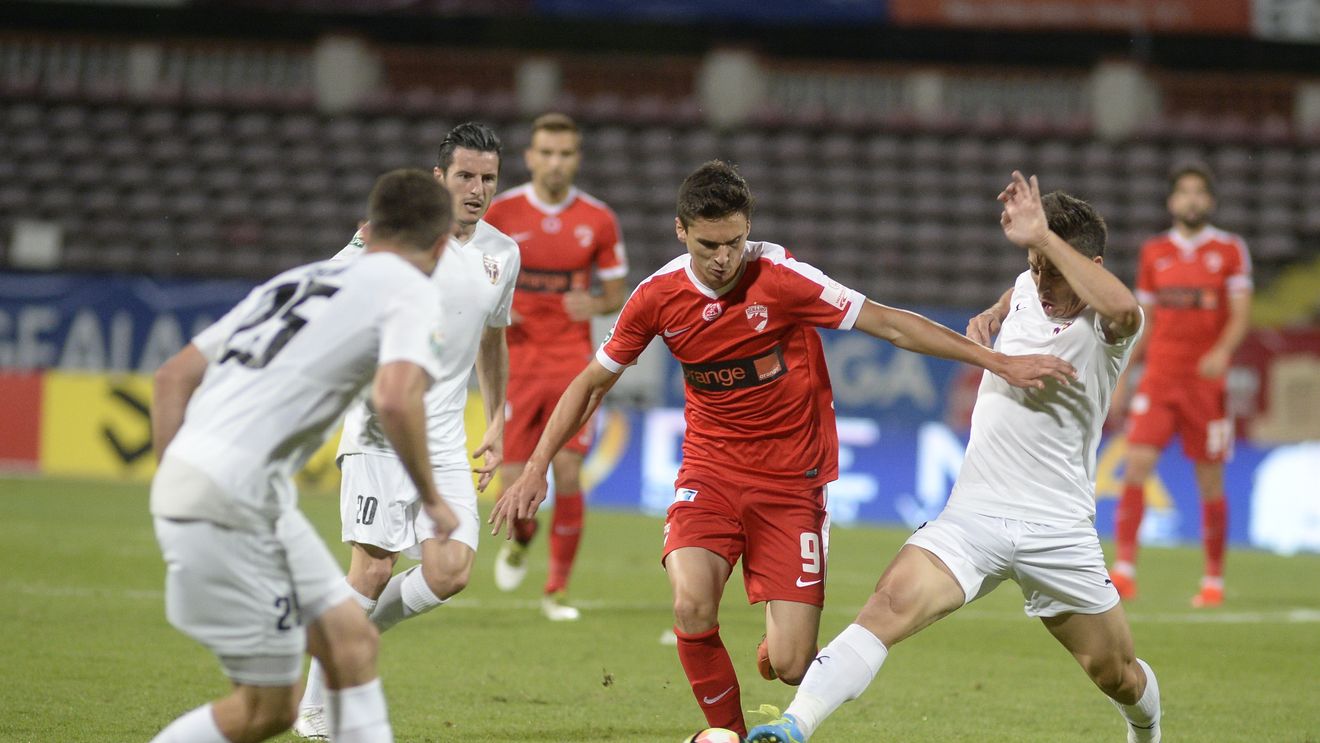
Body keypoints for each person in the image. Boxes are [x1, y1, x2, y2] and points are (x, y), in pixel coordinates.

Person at [490, 161, 1075, 736]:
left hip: (793, 482)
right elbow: (592, 381)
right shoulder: (656, 297)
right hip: (710, 472)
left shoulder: (784, 278)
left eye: (735, 242)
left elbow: (889, 324)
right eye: (708, 245)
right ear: (680, 231)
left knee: (794, 665)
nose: (723, 258)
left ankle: (780, 644)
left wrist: (996, 360)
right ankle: (731, 734)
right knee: (692, 606)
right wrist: (535, 467)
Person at [747, 172, 1160, 743]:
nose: (1039, 277)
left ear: (1089, 262)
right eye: (1033, 263)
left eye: (1051, 263)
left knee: (1115, 674)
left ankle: (1147, 730)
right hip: (975, 515)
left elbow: (1127, 308)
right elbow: (1017, 289)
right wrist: (993, 312)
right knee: (888, 605)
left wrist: (1043, 237)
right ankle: (795, 724)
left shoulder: (1108, 327)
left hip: (1059, 527)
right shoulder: (1026, 285)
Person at [147, 169, 458, 743]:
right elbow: (394, 397)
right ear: (441, 245)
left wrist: (177, 488)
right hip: (231, 499)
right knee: (266, 708)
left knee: (351, 644)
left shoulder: (298, 280)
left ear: (372, 227)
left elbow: (171, 379)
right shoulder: (410, 288)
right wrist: (433, 497)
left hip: (242, 494)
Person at [294, 122, 519, 738]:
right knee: (370, 569)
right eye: (466, 176)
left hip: (444, 438)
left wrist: (497, 417)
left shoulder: (503, 254)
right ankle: (314, 701)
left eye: (488, 179)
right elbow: (325, 290)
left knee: (450, 572)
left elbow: (492, 338)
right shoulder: (391, 239)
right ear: (439, 177)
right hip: (378, 426)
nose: (477, 190)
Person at [483, 112, 629, 621]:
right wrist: (494, 300)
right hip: (515, 362)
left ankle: (556, 589)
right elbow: (470, 271)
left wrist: (598, 304)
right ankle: (522, 538)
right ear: (530, 157)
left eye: (565, 153)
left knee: (567, 471)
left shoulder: (599, 218)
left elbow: (616, 290)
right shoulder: (500, 212)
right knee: (511, 484)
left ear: (577, 159)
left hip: (571, 363)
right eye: (546, 152)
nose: (555, 162)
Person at [1110, 162, 1252, 608]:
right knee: (1135, 466)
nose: (1191, 200)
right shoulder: (1154, 252)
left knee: (1209, 480)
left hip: (1205, 384)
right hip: (1160, 377)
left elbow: (1241, 313)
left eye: (1199, 193)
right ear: (1172, 202)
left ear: (1209, 201)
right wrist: (1123, 374)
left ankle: (1213, 579)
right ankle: (1125, 571)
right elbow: (1144, 322)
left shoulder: (1229, 250)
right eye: (1183, 193)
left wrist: (1222, 352)